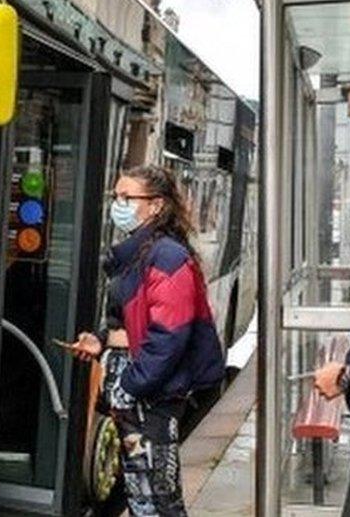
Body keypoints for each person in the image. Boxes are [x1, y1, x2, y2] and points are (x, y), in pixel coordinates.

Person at [68, 165, 225, 517]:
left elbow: (168, 335)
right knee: (143, 492)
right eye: (116, 197)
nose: (118, 204)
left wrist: (130, 385)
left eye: (127, 197)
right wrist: (102, 341)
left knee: (157, 496)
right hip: (141, 394)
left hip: (153, 397)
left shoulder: (166, 257)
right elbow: (134, 321)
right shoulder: (143, 253)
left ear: (155, 206)